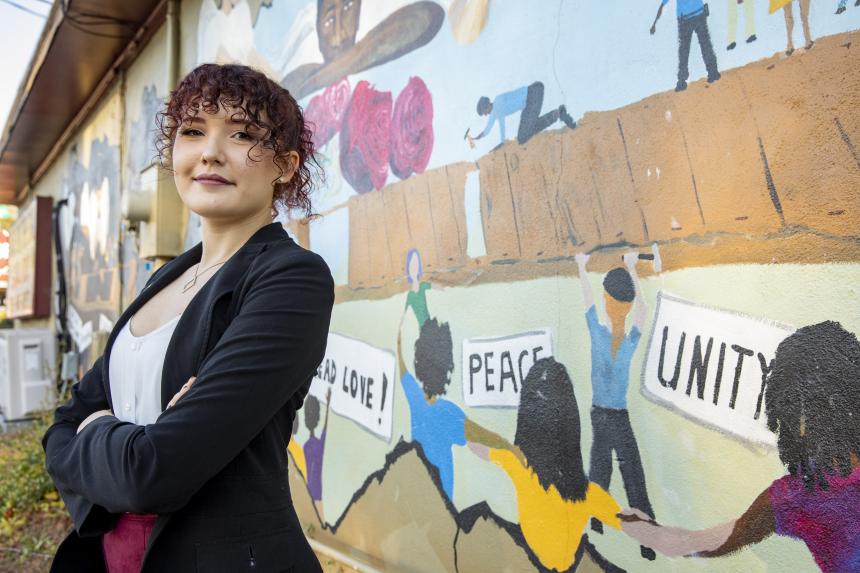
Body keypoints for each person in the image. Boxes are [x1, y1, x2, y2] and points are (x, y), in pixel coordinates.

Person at [41, 64, 335, 573]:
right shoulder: (165, 280)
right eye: (193, 131)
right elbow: (59, 431)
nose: (210, 152)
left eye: (242, 134)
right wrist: (122, 433)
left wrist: (97, 428)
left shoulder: (291, 279)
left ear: (285, 166)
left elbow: (153, 473)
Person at [619, 321, 860, 573]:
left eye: (809, 408)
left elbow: (707, 542)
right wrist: (651, 533)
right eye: (794, 409)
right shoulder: (796, 494)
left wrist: (649, 533)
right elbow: (713, 541)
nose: (802, 426)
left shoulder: (797, 494)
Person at [466, 357, 627, 572]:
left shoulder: (519, 465)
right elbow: (633, 524)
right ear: (571, 423)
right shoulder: (587, 494)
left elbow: (478, 446)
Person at [575, 252, 656, 560]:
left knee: (605, 471)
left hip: (607, 415)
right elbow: (643, 310)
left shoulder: (600, 332)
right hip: (614, 417)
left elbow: (587, 299)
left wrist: (582, 268)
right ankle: (641, 540)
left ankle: (599, 525)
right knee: (623, 474)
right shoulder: (626, 337)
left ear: (607, 299)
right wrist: (633, 268)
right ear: (626, 305)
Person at [396, 316, 466, 501]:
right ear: (448, 368)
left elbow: (403, 371)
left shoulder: (415, 398)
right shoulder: (450, 413)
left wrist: (398, 343)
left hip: (419, 491)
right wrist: (509, 448)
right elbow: (481, 438)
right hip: (443, 503)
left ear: (419, 363)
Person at [466, 82, 576, 149]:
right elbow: (488, 128)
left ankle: (558, 114)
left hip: (533, 94)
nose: (486, 115)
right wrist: (476, 137)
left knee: (523, 135)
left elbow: (501, 126)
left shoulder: (498, 104)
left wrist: (502, 143)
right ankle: (558, 113)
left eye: (485, 112)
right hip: (531, 100)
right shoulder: (495, 110)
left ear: (487, 106)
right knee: (524, 135)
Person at [651, 0, 721, 92]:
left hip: (685, 19)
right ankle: (713, 73)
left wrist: (655, 23)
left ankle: (682, 81)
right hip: (699, 13)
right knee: (706, 44)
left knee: (684, 50)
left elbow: (663, 4)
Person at [303, 389, 332, 520]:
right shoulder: (318, 445)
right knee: (320, 520)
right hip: (316, 491)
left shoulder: (306, 446)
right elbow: (325, 428)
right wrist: (328, 403)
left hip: (309, 489)